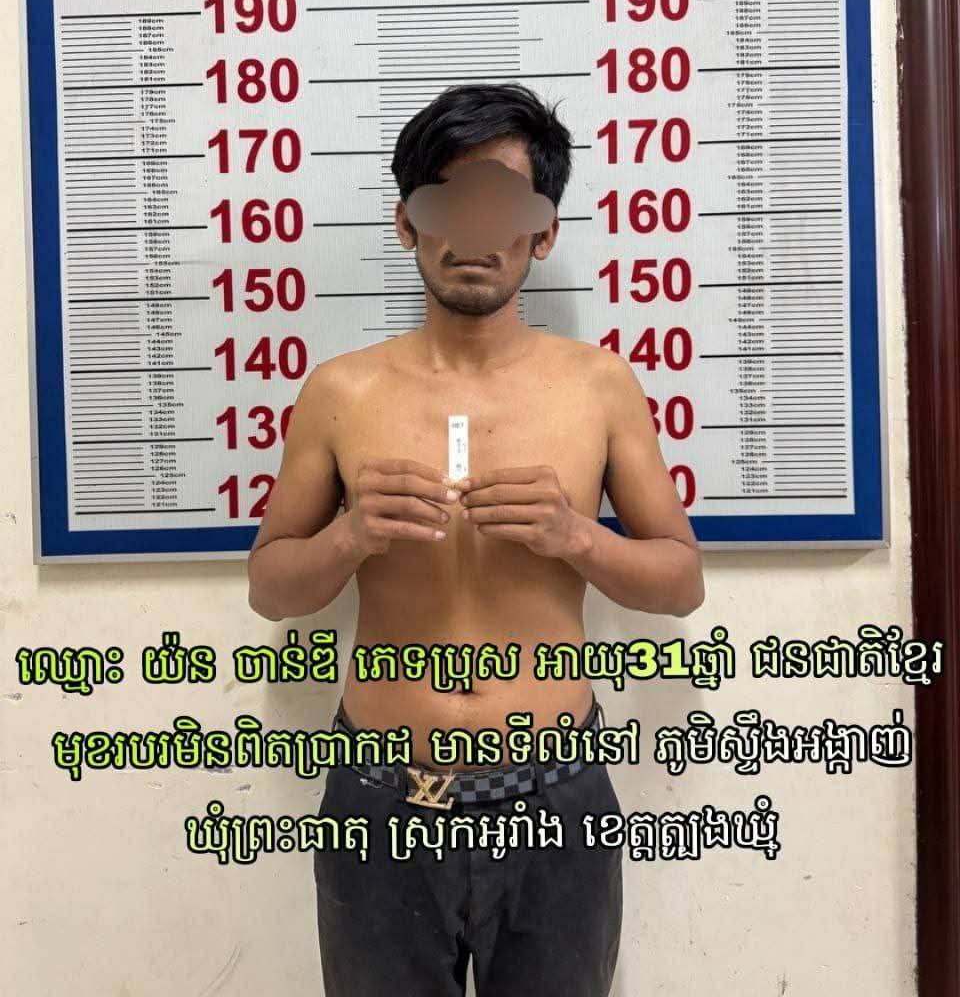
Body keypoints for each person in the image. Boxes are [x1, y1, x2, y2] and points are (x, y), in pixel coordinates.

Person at [247, 81, 705, 996]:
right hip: (380, 799)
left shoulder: (599, 386)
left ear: (544, 233)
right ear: (408, 224)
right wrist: (350, 537)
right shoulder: (341, 393)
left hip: (554, 796)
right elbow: (271, 587)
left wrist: (577, 537)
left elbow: (680, 580)